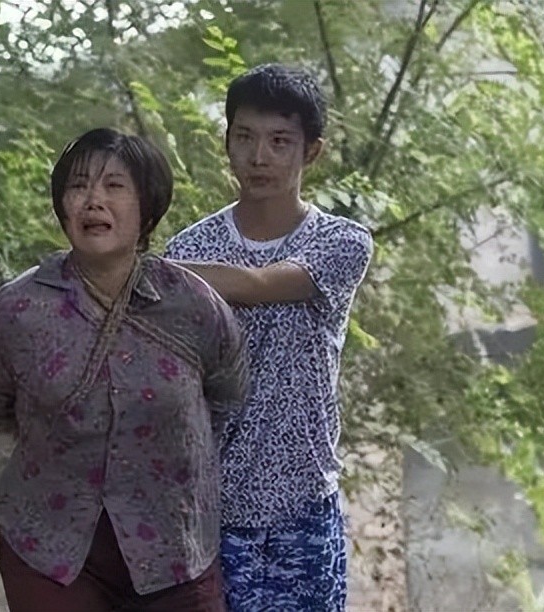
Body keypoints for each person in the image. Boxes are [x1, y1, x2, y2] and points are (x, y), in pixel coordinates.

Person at [0, 127, 247, 612]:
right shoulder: (16, 311)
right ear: (62, 206)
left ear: (148, 208)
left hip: (174, 547)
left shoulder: (193, 305)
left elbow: (226, 393)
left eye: (114, 186)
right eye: (78, 186)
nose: (93, 200)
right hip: (51, 546)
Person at [164, 64, 374, 611]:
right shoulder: (192, 246)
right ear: (227, 142)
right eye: (245, 137)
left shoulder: (340, 243)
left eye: (280, 142)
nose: (259, 157)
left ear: (312, 152)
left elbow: (259, 285)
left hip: (302, 504)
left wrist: (142, 272)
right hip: (209, 508)